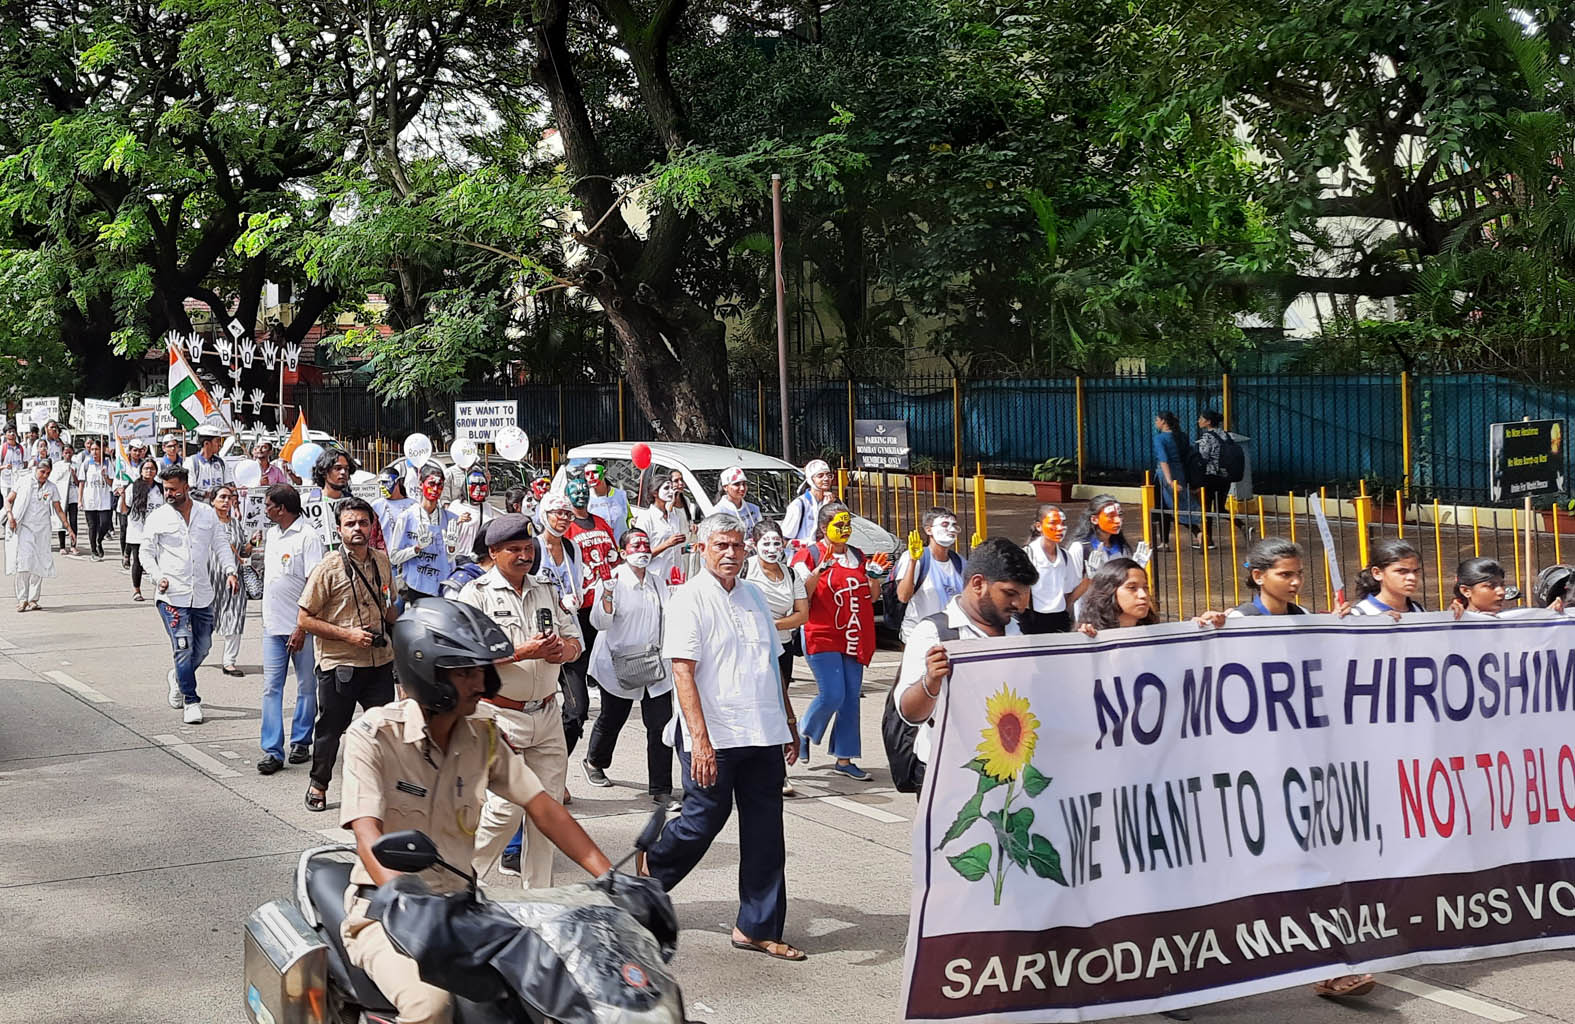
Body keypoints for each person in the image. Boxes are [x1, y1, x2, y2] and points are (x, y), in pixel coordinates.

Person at [339, 597, 614, 1024]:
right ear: (426, 672)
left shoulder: (482, 735)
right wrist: (401, 895)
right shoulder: (375, 735)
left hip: (463, 910)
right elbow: (366, 832)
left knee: (554, 988)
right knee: (430, 1006)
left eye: (481, 670)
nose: (481, 683)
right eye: (465, 672)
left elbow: (543, 807)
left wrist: (610, 879)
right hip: (387, 912)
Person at [642, 512, 806, 962]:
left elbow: (771, 664)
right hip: (713, 734)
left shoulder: (754, 596)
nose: (731, 554)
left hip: (763, 732)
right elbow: (683, 671)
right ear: (702, 548)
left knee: (766, 833)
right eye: (722, 546)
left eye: (737, 545)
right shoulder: (689, 599)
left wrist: (788, 722)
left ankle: (756, 927)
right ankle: (648, 875)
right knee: (701, 822)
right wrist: (701, 741)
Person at [456, 514, 583, 887]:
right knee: (504, 809)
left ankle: (539, 897)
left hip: (545, 712)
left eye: (528, 549)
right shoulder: (475, 594)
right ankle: (460, 884)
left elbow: (575, 639)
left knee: (549, 811)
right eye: (514, 549)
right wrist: (520, 652)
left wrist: (565, 652)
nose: (524, 556)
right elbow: (466, 657)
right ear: (493, 552)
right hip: (499, 715)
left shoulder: (546, 589)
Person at [894, 538, 1037, 778]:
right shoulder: (934, 633)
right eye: (1010, 593)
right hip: (947, 773)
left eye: (1024, 596)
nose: (1019, 605)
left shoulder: (1016, 630)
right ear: (978, 583)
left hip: (1007, 767)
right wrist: (930, 682)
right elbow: (909, 713)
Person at [297, 497, 398, 812]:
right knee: (331, 729)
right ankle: (319, 784)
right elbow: (304, 619)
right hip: (340, 664)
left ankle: (381, 788)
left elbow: (389, 607)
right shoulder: (328, 567)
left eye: (363, 522)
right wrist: (348, 634)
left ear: (372, 525)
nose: (358, 528)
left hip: (380, 661)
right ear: (339, 529)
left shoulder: (382, 560)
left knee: (385, 729)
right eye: (350, 523)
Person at [792, 502, 886, 780]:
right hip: (820, 633)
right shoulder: (807, 555)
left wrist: (875, 579)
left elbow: (872, 597)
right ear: (824, 528)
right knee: (833, 694)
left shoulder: (858, 555)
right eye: (839, 524)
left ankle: (844, 760)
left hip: (854, 634)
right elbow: (800, 596)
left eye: (848, 524)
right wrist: (817, 572)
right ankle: (805, 730)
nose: (845, 530)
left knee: (850, 699)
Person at [583, 528, 677, 807]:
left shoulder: (658, 583)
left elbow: (670, 615)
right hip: (617, 664)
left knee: (660, 725)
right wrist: (608, 595)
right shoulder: (612, 581)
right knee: (613, 717)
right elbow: (600, 623)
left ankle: (661, 789)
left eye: (646, 544)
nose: (643, 549)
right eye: (636, 545)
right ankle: (594, 761)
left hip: (654, 665)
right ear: (623, 553)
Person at [140, 466, 238, 724]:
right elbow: (145, 553)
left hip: (203, 594)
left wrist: (230, 570)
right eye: (165, 489)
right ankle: (191, 700)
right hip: (171, 596)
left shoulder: (206, 514)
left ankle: (177, 677)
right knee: (183, 647)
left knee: (203, 646)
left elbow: (220, 543)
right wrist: (157, 575)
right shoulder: (158, 517)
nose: (168, 493)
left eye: (173, 488)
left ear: (185, 486)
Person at [257, 484, 324, 775]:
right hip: (273, 626)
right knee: (272, 687)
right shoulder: (273, 534)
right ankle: (272, 750)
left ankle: (301, 740)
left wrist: (302, 624)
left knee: (307, 687)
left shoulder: (308, 537)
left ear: (282, 509)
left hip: (302, 627)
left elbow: (314, 585)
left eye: (269, 505)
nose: (265, 510)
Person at [561, 477, 619, 758]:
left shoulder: (601, 523)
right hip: (577, 614)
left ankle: (596, 756)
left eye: (585, 490)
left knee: (611, 694)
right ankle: (558, 761)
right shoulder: (566, 529)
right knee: (576, 707)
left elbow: (615, 559)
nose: (581, 494)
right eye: (575, 491)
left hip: (604, 611)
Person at [4, 458, 74, 611]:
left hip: (42, 529)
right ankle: (22, 599)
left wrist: (68, 528)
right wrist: (10, 515)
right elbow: (8, 500)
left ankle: (33, 599)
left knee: (39, 562)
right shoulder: (23, 481)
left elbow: (59, 509)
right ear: (36, 469)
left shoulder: (51, 487)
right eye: (42, 472)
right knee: (24, 562)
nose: (45, 475)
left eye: (48, 473)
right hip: (24, 527)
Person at [894, 507, 967, 642]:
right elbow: (903, 596)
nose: (951, 530)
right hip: (919, 635)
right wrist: (913, 561)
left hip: (951, 636)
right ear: (929, 530)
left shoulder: (959, 562)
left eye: (954, 525)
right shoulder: (916, 558)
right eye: (945, 525)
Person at [388, 464, 456, 600]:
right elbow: (394, 557)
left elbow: (448, 560)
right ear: (420, 484)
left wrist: (451, 547)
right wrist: (417, 548)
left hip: (441, 586)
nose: (435, 489)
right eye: (431, 483)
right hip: (415, 586)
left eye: (440, 485)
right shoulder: (407, 517)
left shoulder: (449, 518)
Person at [209, 484, 255, 677]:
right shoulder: (206, 522)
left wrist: (252, 543)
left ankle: (229, 662)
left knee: (235, 617)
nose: (227, 501)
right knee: (205, 620)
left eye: (230, 497)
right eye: (222, 497)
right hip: (210, 578)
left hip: (235, 580)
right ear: (212, 500)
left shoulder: (236, 523)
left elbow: (243, 552)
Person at [1020, 504, 1088, 633]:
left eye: (1063, 524)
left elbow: (1069, 595)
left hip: (1059, 619)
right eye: (1053, 523)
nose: (1060, 528)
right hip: (1033, 620)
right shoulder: (1028, 554)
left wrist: (1089, 579)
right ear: (1039, 526)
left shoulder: (1065, 556)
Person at [1226, 538, 1309, 617]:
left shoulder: (1303, 615)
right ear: (1258, 576)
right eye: (1285, 574)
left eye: (1299, 573)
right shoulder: (1240, 619)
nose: (1296, 582)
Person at [1075, 558, 1163, 632]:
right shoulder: (1091, 634)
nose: (1143, 595)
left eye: (1145, 587)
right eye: (1132, 588)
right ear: (1109, 591)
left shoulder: (1159, 634)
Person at [1153, 411, 1198, 550]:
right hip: (1181, 473)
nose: (1156, 422)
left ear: (1163, 422)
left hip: (1165, 476)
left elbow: (1163, 460)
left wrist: (1169, 480)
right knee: (1182, 505)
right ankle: (1198, 532)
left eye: (1157, 419)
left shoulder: (1160, 439)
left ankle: (1165, 541)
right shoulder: (1182, 437)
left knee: (1163, 508)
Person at [634, 474, 690, 586]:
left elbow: (676, 550)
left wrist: (690, 548)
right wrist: (667, 544)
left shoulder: (674, 517)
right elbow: (640, 555)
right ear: (655, 493)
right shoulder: (646, 518)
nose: (671, 492)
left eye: (671, 488)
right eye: (666, 488)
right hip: (657, 577)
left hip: (676, 578)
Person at [120, 457, 163, 600]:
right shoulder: (134, 487)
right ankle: (136, 590)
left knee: (159, 560)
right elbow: (124, 509)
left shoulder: (160, 488)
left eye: (152, 468)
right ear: (141, 471)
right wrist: (122, 496)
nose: (149, 471)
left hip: (157, 530)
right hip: (138, 530)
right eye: (146, 468)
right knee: (138, 561)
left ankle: (160, 586)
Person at [1348, 538, 1426, 616]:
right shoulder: (1358, 615)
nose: (1412, 577)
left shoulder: (1420, 611)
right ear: (1377, 573)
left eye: (1415, 571)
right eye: (1402, 571)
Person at [1193, 409, 1234, 526]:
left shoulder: (1207, 437)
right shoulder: (1225, 435)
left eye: (1201, 419)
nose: (1198, 421)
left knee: (1206, 509)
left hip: (1211, 477)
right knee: (1220, 508)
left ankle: (1208, 540)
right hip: (1226, 476)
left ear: (1208, 422)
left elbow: (1203, 458)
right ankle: (1242, 525)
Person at [781, 459, 836, 545]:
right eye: (820, 476)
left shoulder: (831, 502)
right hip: (803, 556)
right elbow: (784, 540)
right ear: (811, 479)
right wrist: (808, 546)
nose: (826, 478)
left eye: (829, 475)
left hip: (825, 555)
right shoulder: (798, 505)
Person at [446, 467, 497, 560]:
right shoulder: (456, 506)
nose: (478, 488)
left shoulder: (487, 507)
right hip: (460, 558)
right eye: (474, 484)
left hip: (480, 559)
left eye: (482, 484)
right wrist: (457, 521)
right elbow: (445, 533)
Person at [78, 440, 115, 561]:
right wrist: (80, 500)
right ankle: (94, 550)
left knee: (105, 523)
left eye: (97, 449)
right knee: (92, 526)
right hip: (90, 499)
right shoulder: (87, 463)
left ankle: (99, 540)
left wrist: (105, 476)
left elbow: (112, 483)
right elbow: (82, 483)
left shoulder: (107, 463)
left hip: (104, 499)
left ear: (102, 450)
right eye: (92, 449)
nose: (94, 452)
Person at [585, 461, 629, 544]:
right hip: (599, 548)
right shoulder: (586, 498)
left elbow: (628, 518)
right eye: (587, 473)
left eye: (595, 472)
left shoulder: (621, 495)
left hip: (621, 546)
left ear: (604, 473)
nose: (591, 476)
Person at [184, 424, 229, 499]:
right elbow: (190, 491)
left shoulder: (222, 462)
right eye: (217, 441)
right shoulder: (191, 463)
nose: (220, 445)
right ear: (206, 444)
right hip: (200, 508)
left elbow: (229, 486)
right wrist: (212, 495)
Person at [714, 466, 763, 536]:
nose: (742, 488)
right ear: (725, 487)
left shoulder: (754, 509)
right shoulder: (718, 512)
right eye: (736, 484)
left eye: (744, 484)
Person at [372, 464, 413, 544]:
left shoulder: (413, 505)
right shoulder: (376, 506)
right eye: (380, 483)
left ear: (397, 482)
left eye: (385, 482)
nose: (381, 486)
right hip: (383, 553)